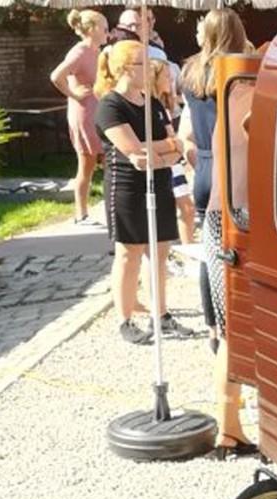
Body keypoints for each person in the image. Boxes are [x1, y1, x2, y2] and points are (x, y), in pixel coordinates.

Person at [180, 8, 257, 458]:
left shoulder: (192, 75)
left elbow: (188, 139)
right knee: (238, 315)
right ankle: (230, 428)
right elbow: (250, 133)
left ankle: (233, 419)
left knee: (219, 302)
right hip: (236, 191)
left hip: (207, 179)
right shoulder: (241, 80)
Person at [94, 40, 185, 345]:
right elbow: (131, 149)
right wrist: (162, 150)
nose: (148, 69)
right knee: (129, 251)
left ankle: (161, 313)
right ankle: (125, 318)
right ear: (123, 68)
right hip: (128, 186)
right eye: (141, 64)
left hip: (159, 181)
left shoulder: (153, 103)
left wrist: (158, 152)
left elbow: (176, 145)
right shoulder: (110, 105)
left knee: (159, 251)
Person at [180, 9, 246, 353]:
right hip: (231, 167)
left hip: (204, 163)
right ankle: (237, 323)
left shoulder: (190, 71)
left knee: (209, 253)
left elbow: (189, 130)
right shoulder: (238, 72)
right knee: (235, 252)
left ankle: (212, 328)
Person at [49, 9, 107, 226]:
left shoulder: (97, 50)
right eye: (104, 28)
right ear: (91, 29)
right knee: (87, 163)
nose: (107, 33)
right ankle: (80, 213)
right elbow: (56, 76)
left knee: (108, 160)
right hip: (85, 113)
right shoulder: (80, 51)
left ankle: (111, 207)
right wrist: (73, 94)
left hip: (98, 111)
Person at [153, 60, 195, 244]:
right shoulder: (150, 107)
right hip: (161, 166)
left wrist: (170, 146)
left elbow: (175, 141)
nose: (170, 80)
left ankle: (188, 245)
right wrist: (170, 146)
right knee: (167, 210)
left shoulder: (162, 106)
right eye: (166, 76)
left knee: (187, 208)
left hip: (174, 164)